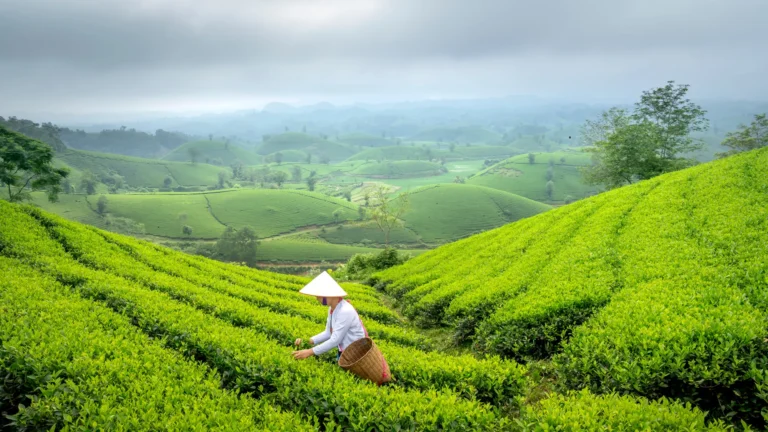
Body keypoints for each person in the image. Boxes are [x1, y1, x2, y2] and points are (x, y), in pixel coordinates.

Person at [292, 271, 367, 362]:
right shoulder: (332, 309)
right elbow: (328, 333)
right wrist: (308, 341)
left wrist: (309, 352)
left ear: (328, 295)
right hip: (345, 351)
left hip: (357, 354)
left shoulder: (345, 311)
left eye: (318, 295)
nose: (317, 298)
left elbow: (335, 340)